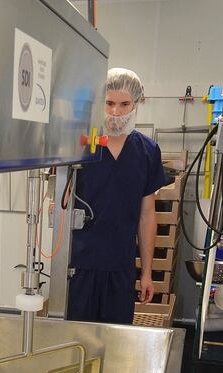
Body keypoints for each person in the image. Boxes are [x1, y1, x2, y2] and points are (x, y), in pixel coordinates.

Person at [66, 68, 167, 324]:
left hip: (120, 267)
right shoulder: (81, 145)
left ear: (136, 104)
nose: (115, 112)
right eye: (109, 103)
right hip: (79, 266)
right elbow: (61, 203)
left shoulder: (147, 151)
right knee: (75, 339)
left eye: (124, 104)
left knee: (114, 342)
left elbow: (147, 215)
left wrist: (146, 273)